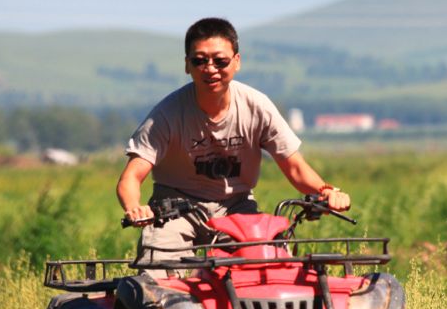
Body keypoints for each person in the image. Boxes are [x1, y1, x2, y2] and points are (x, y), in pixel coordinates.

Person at [116, 17, 351, 265]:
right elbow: (131, 177)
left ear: (237, 62)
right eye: (199, 60)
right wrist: (135, 208)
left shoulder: (256, 106)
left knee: (270, 265)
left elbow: (295, 168)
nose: (210, 69)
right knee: (157, 269)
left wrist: (328, 192)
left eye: (220, 61)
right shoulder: (167, 114)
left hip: (236, 207)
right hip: (175, 208)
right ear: (187, 65)